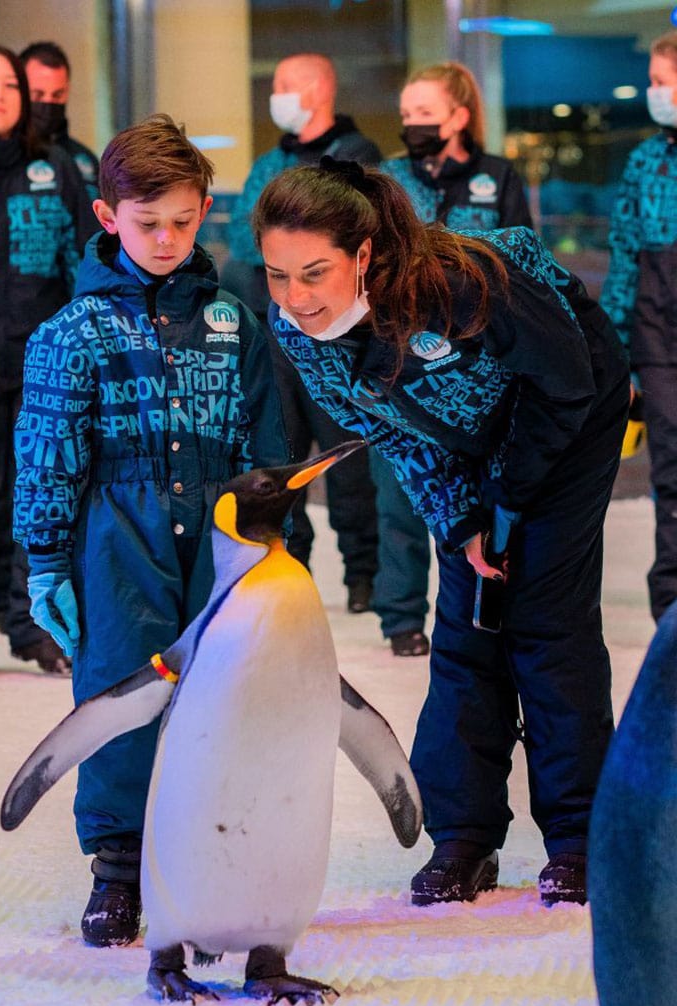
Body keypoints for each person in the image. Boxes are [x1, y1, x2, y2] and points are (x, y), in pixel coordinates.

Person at [252, 159, 629, 907]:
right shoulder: (296, 329)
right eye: (276, 275)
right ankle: (463, 834)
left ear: (363, 255)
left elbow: (564, 380)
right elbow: (386, 430)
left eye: (314, 273)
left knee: (545, 623)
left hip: (571, 409)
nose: (294, 299)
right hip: (464, 444)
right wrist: (461, 521)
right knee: (466, 624)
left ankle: (585, 837)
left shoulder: (463, 283)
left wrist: (508, 500)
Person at [13, 114, 288, 947]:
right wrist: (47, 560)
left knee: (219, 698)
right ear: (107, 217)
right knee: (119, 689)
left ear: (206, 208)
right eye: (145, 223)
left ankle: (209, 863)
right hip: (115, 536)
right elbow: (48, 453)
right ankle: (119, 869)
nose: (165, 238)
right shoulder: (71, 333)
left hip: (220, 532)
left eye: (181, 219)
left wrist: (274, 547)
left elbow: (266, 445)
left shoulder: (235, 324)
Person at [374, 61, 533, 658]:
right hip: (403, 355)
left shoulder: (498, 176)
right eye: (407, 114)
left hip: (484, 359)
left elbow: (525, 258)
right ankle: (400, 616)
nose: (412, 124)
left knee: (484, 492)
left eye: (425, 113)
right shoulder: (387, 178)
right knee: (402, 485)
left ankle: (481, 604)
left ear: (459, 116)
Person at [223, 52, 381, 614]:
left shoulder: (356, 160)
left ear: (320, 88)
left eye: (287, 84)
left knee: (349, 465)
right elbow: (246, 251)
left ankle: (364, 576)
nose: (277, 94)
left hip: (338, 341)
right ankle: (292, 568)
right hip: (273, 341)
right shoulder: (268, 163)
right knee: (280, 461)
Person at [0, 44, 96, 678]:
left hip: (44, 368)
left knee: (40, 498)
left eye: (9, 84)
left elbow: (82, 260)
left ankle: (34, 630)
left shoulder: (57, 167)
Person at [600, 30, 677, 624]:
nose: (653, 92)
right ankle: (671, 608)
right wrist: (617, 352)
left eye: (660, 81)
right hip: (658, 332)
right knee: (671, 470)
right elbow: (624, 256)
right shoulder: (646, 161)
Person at [20, 40, 100, 202]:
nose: (48, 103)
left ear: (67, 91)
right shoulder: (6, 157)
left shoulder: (84, 160)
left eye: (57, 95)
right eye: (38, 95)